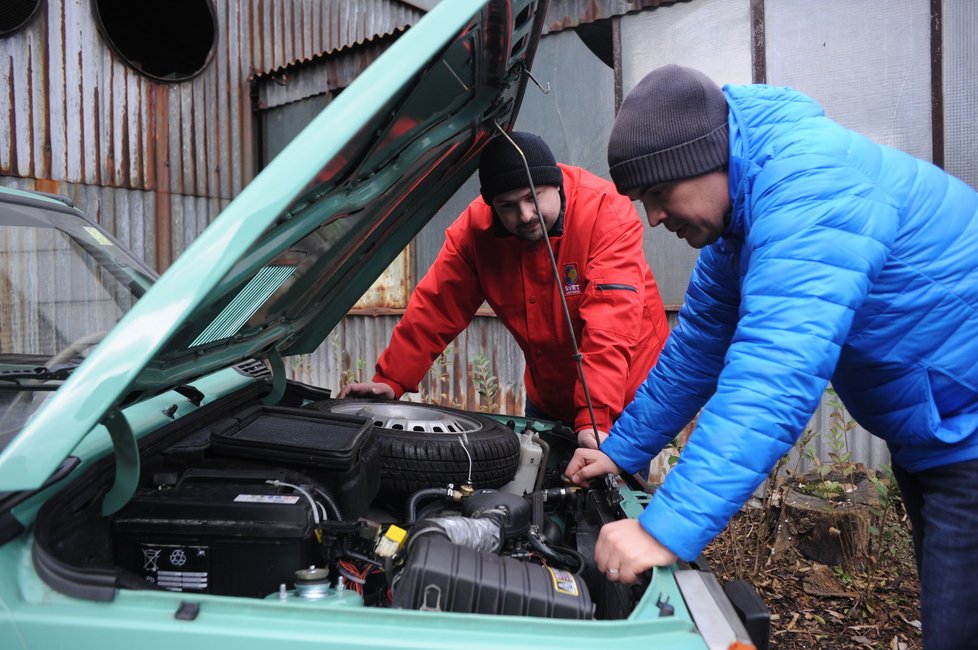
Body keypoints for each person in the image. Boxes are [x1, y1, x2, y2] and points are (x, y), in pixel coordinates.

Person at [565, 63, 978, 649]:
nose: (653, 218)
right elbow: (696, 352)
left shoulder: (809, 189)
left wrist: (667, 528)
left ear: (701, 159)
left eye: (658, 194)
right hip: (937, 429)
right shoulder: (742, 223)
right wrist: (621, 449)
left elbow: (773, 372)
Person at [339, 132, 670, 446]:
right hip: (549, 396)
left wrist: (594, 417)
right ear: (492, 205)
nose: (525, 215)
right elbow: (436, 308)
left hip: (625, 397)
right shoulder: (475, 232)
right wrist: (391, 380)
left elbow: (609, 324)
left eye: (532, 198)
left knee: (609, 497)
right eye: (508, 206)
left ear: (556, 184)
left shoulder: (605, 213)